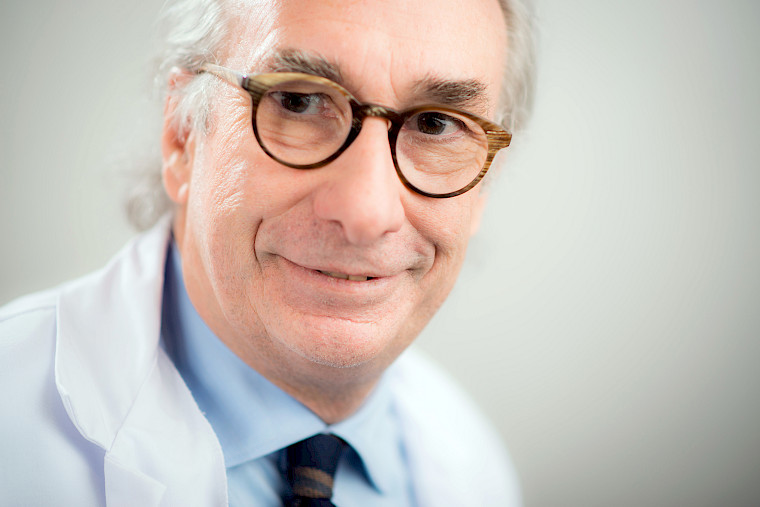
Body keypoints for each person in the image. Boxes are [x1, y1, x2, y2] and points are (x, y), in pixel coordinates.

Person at [0, 0, 535, 504]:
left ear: (483, 189)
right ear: (182, 135)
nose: (366, 215)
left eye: (435, 124)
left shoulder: (473, 464)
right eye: (299, 101)